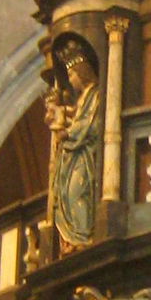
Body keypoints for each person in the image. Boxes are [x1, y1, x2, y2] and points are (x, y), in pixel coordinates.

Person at [47, 42, 102, 248]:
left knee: (77, 191)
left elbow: (92, 125)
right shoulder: (83, 98)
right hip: (74, 154)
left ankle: (83, 234)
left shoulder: (96, 95)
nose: (70, 80)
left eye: (72, 75)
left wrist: (67, 132)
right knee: (69, 192)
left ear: (82, 73)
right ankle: (76, 236)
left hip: (85, 154)